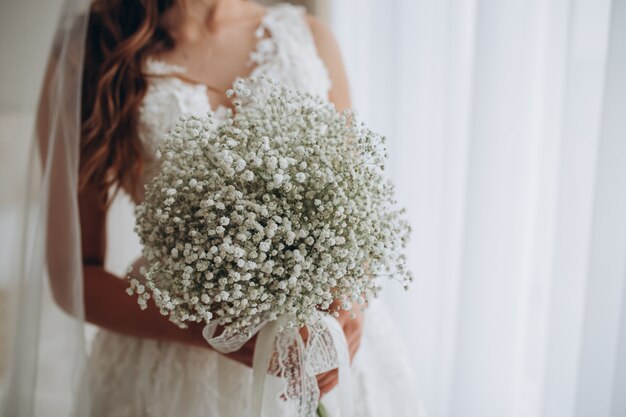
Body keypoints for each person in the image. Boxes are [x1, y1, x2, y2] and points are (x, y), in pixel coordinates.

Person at [18, 1, 423, 415]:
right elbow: (73, 274)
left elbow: (353, 208)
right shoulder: (93, 52)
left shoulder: (310, 38)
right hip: (170, 365)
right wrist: (209, 330)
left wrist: (350, 306)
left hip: (315, 343)